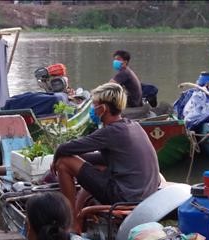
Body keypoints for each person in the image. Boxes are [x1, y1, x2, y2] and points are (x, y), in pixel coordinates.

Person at [51, 82, 160, 228]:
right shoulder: (132, 125)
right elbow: (103, 159)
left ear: (102, 109)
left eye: (93, 106)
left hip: (125, 197)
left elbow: (63, 148)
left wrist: (56, 159)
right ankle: (78, 215)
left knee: (63, 162)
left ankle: (69, 222)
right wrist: (79, 159)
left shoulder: (110, 132)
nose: (92, 110)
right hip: (143, 195)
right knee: (96, 165)